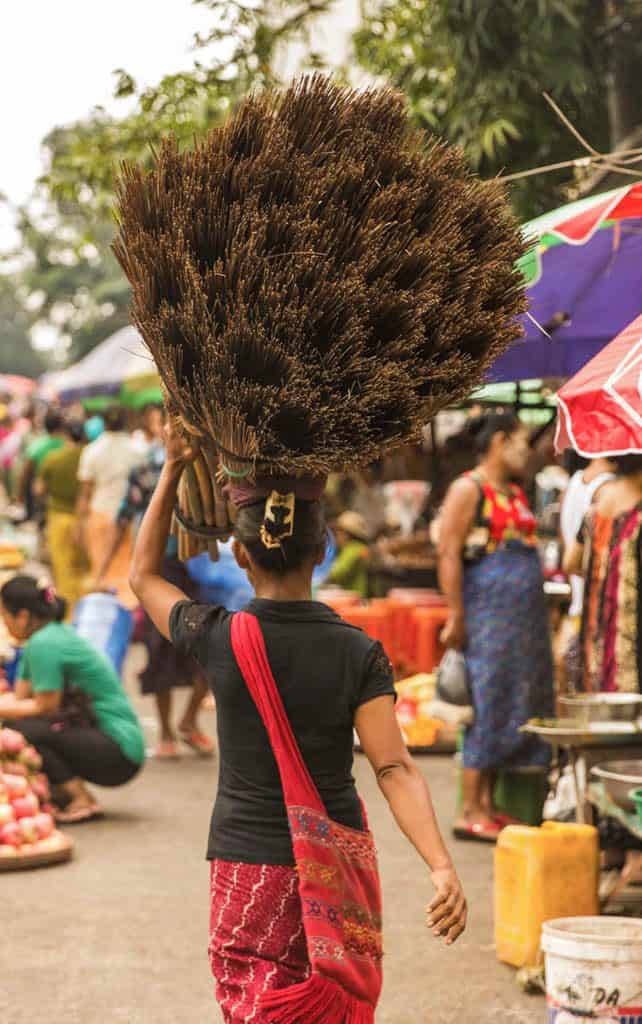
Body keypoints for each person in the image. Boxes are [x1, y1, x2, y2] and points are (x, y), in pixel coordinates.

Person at [129, 425, 466, 1021]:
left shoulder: (219, 637)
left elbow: (142, 577)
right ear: (322, 549)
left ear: (239, 554)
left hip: (246, 867)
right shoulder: (359, 652)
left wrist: (175, 466)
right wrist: (441, 865)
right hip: (332, 869)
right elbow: (394, 768)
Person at [438, 413, 554, 843]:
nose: (528, 452)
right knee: (485, 704)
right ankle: (470, 810)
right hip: (486, 615)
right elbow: (448, 552)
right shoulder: (469, 488)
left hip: (519, 622)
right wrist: (456, 614)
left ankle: (489, 804)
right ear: (500, 441)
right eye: (523, 442)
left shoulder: (515, 492)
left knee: (510, 702)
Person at [97, 436, 213, 759]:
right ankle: (165, 733)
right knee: (159, 648)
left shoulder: (208, 465)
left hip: (199, 568)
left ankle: (189, 721)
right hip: (159, 567)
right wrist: (104, 570)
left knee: (209, 647)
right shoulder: (146, 471)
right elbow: (123, 519)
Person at [0, 575, 145, 822]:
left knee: (20, 731)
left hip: (119, 750)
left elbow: (44, 706)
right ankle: (57, 795)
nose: (4, 623)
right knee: (13, 728)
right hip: (100, 739)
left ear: (23, 616)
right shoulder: (42, 639)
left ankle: (80, 798)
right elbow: (19, 698)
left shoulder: (45, 643)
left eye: (4, 616)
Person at [565, 454, 642, 693]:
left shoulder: (596, 509)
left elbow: (570, 563)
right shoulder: (637, 515)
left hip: (595, 645)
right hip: (630, 650)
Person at [558, 456, 615, 690]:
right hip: (598, 615)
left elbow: (569, 560)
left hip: (579, 610)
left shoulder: (574, 483)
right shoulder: (608, 489)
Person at [75, 404, 140, 607]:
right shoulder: (137, 450)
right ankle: (126, 613)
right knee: (128, 570)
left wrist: (79, 523)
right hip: (130, 518)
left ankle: (104, 612)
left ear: (103, 423)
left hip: (100, 515)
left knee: (101, 568)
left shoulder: (92, 451)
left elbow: (85, 494)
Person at [36, 419, 89, 611]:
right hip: (85, 519)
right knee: (84, 568)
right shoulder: (88, 456)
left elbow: (39, 489)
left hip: (58, 517)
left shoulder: (53, 458)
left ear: (66, 435)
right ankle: (85, 610)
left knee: (63, 568)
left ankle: (68, 613)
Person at [17, 409, 66, 521]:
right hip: (62, 496)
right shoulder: (67, 445)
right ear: (62, 427)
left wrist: (20, 494)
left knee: (41, 522)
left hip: (40, 492)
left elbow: (25, 472)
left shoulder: (37, 445)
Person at [325, 510, 372, 597]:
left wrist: (317, 574)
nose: (336, 535)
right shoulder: (356, 548)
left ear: (346, 533)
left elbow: (338, 572)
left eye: (338, 531)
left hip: (354, 598)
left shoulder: (354, 549)